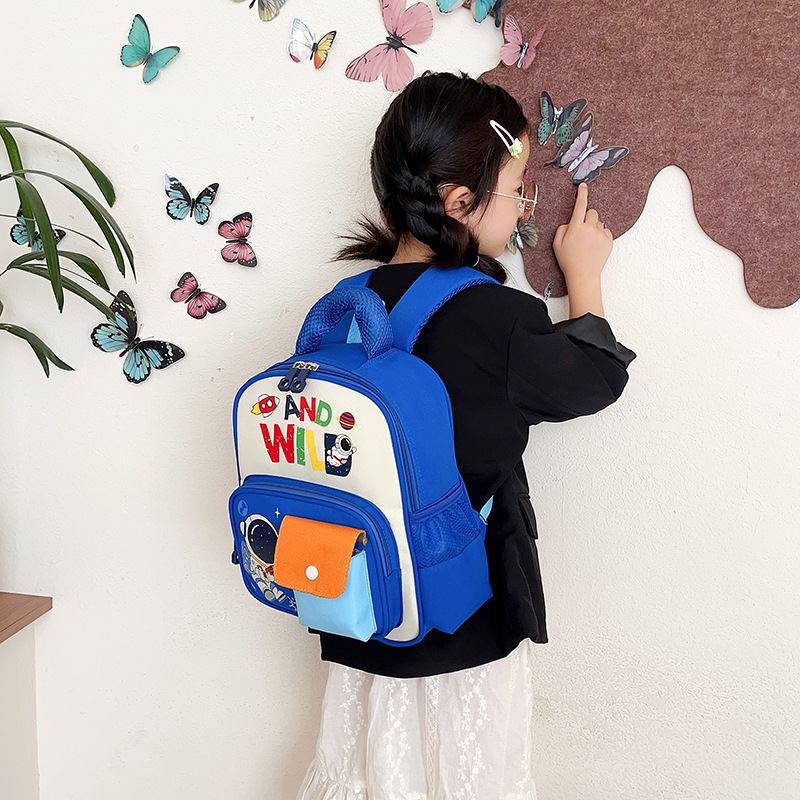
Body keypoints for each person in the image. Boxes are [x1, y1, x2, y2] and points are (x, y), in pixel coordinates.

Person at [296, 71, 635, 800]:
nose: (522, 208)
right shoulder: (497, 318)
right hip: (463, 616)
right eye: (516, 191)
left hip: (357, 602)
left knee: (373, 771)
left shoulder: (340, 311)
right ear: (458, 202)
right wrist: (584, 275)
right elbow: (593, 380)